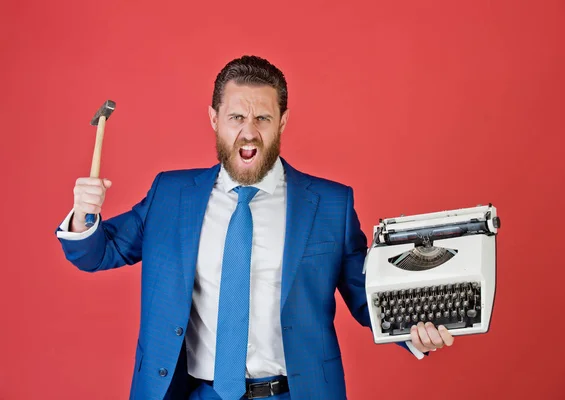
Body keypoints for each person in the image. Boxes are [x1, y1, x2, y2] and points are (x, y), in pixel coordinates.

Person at [55, 55, 455, 400]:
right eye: (236, 117)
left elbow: (365, 296)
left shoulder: (330, 204)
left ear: (282, 121)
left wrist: (412, 330)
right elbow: (99, 252)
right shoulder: (170, 195)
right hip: (194, 393)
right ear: (214, 120)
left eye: (263, 117)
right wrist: (83, 215)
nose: (249, 131)